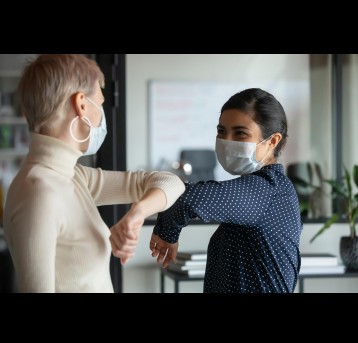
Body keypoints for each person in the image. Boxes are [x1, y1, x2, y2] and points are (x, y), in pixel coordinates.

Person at [3, 54, 185, 293]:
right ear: (81, 104)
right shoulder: (39, 191)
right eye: (99, 103)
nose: (101, 114)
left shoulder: (72, 176)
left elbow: (171, 182)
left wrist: (137, 213)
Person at [149, 88, 303, 293]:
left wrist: (166, 233)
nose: (227, 140)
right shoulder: (270, 189)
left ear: (273, 141)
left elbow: (185, 199)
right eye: (221, 131)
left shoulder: (267, 189)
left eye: (240, 133)